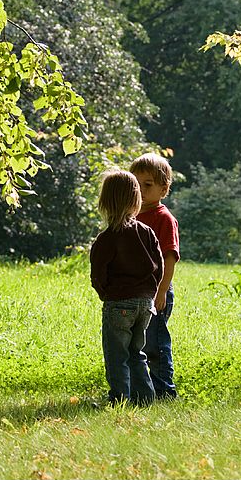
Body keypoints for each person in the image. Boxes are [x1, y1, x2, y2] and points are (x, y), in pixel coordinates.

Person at [90, 169, 163, 405]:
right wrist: (150, 293)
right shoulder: (147, 232)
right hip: (145, 304)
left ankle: (119, 398)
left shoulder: (107, 238)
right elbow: (158, 265)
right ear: (136, 200)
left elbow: (98, 273)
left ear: (105, 202)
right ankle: (145, 398)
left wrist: (106, 294)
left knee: (116, 355)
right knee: (136, 352)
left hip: (118, 303)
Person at [129, 152, 180, 400]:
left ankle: (164, 390)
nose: (140, 190)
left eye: (147, 185)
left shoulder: (163, 218)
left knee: (155, 342)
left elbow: (169, 258)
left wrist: (161, 291)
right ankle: (140, 388)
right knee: (136, 342)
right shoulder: (131, 215)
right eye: (135, 184)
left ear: (163, 188)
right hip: (134, 291)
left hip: (156, 291)